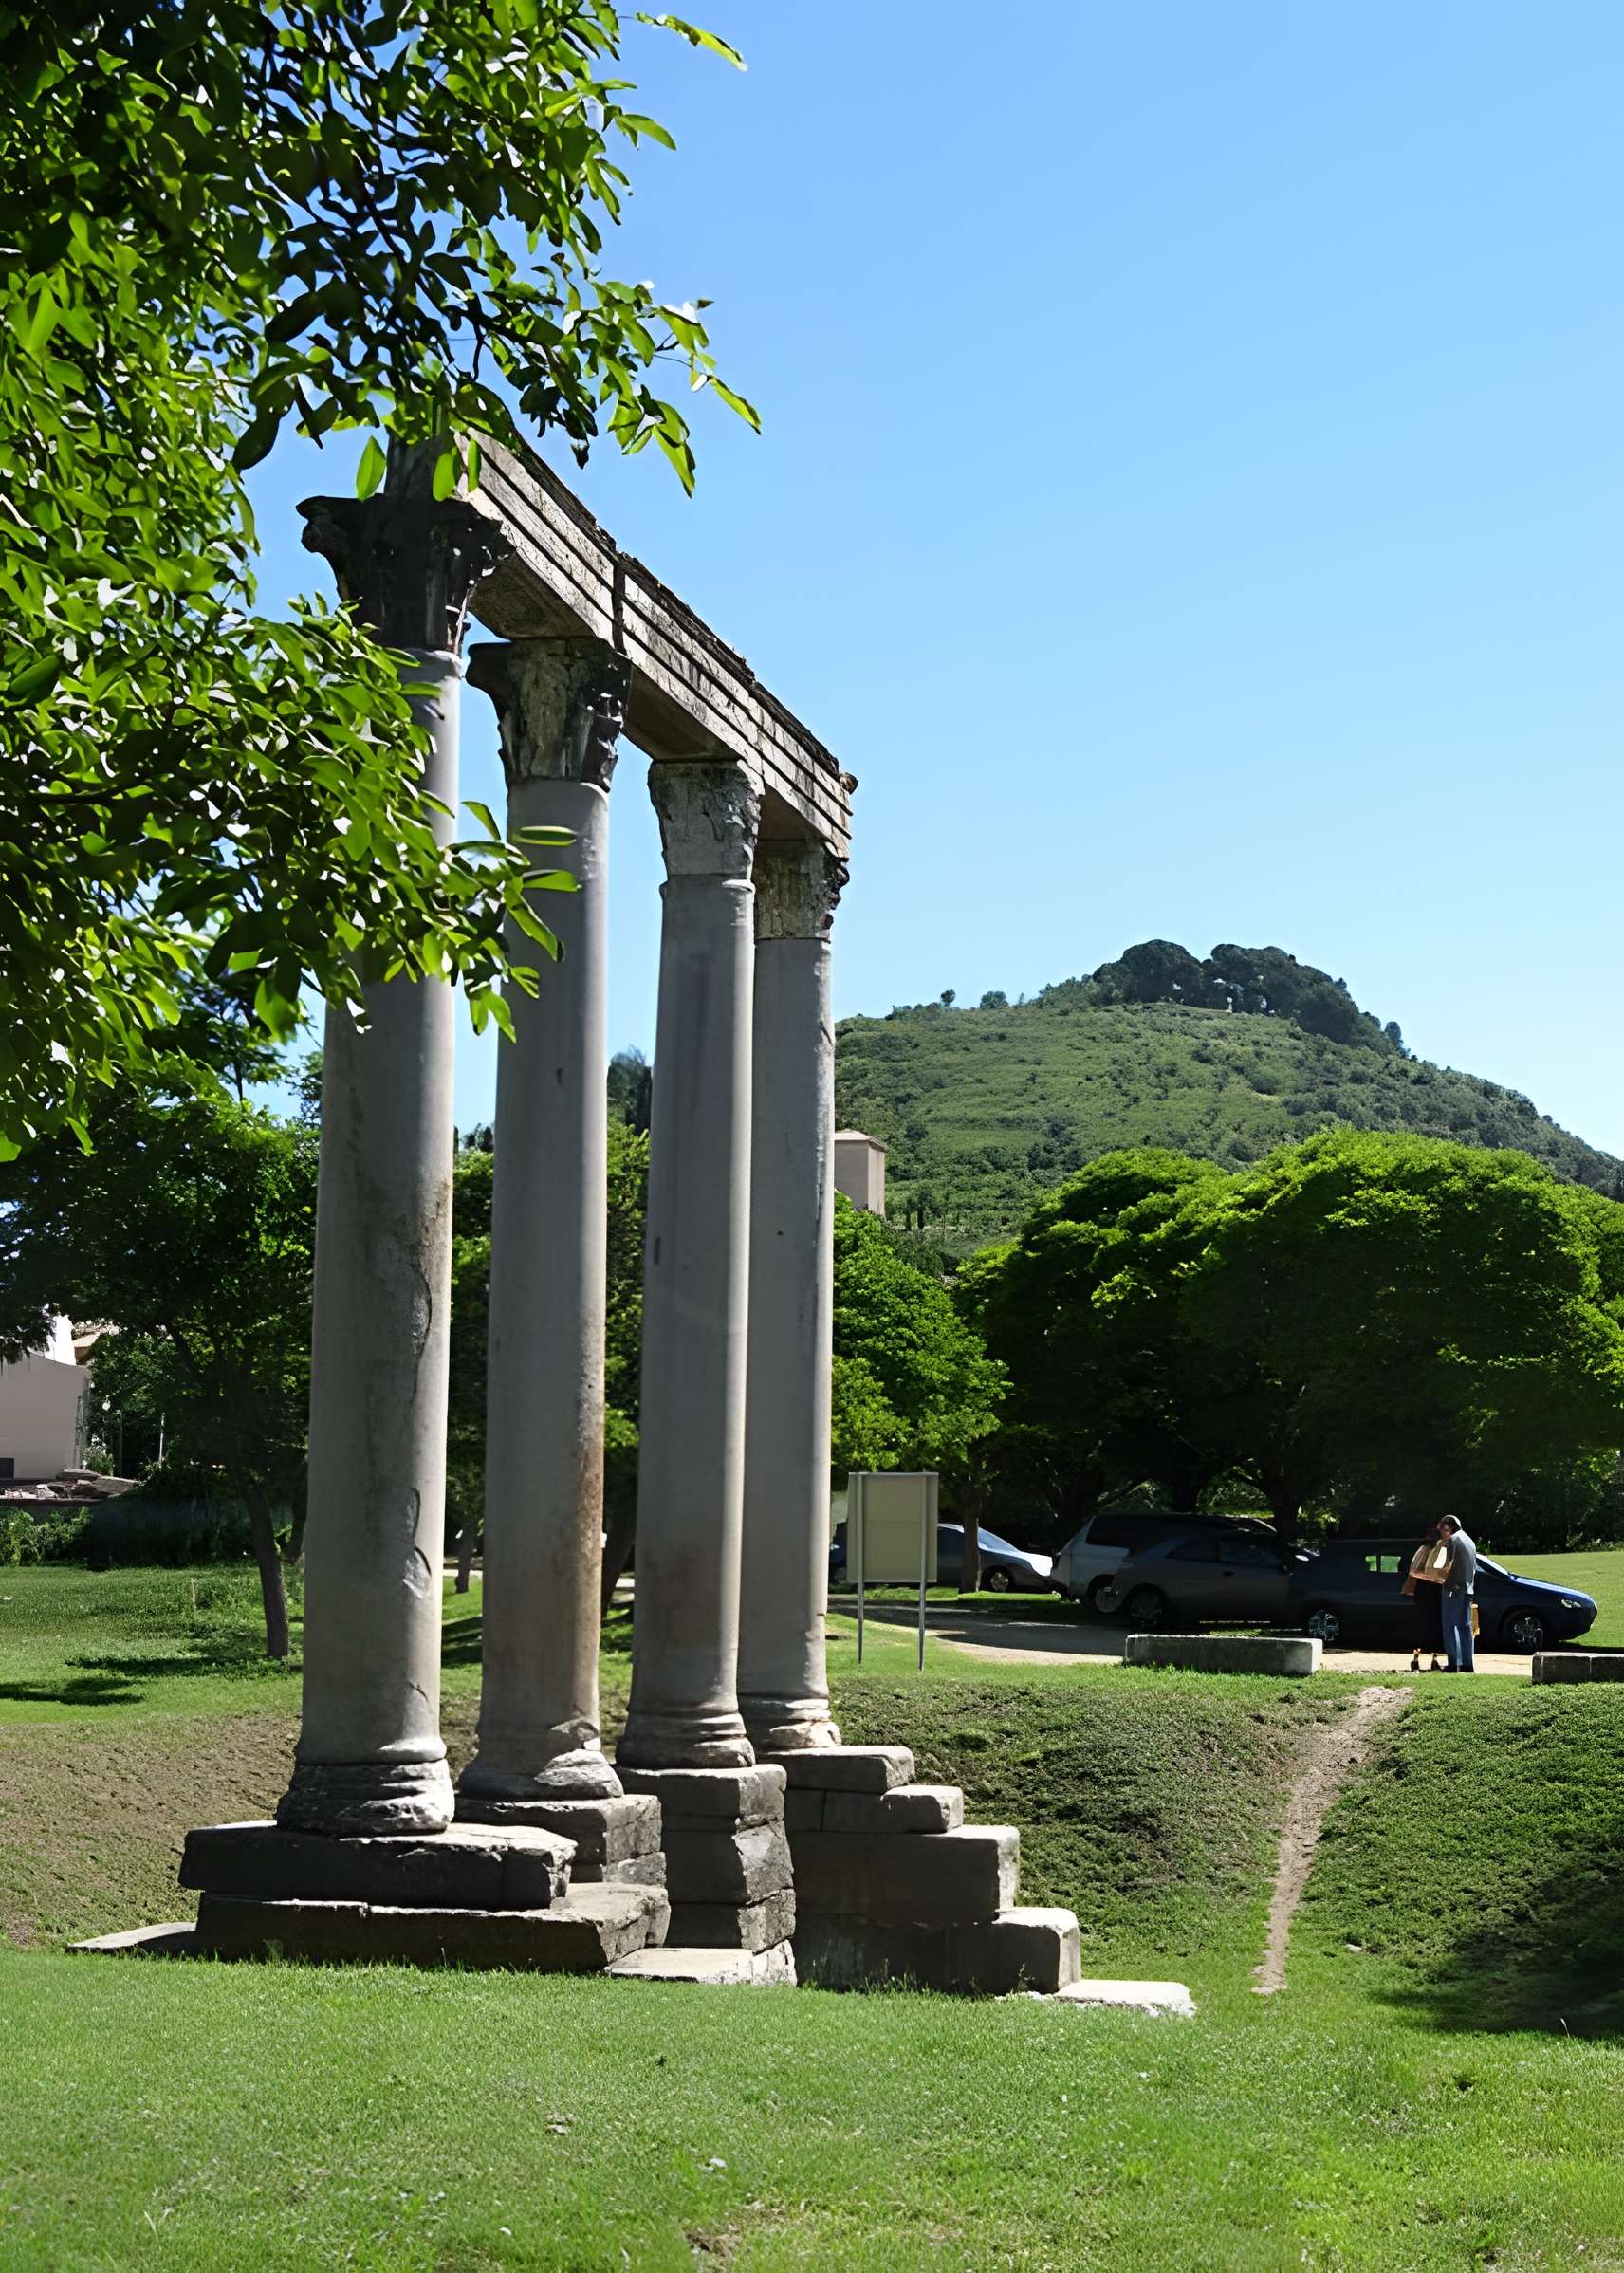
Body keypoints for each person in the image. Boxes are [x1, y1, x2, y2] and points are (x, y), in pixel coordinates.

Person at [1401, 1523, 1448, 1673]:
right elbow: (1414, 1570)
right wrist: (1431, 1577)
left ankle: (1434, 1657)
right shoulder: (1424, 1550)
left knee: (1435, 1624)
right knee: (1423, 1623)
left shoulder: (1441, 1551)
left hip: (1436, 1591)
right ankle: (1417, 1657)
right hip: (1425, 1590)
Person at [1436, 1514, 1478, 1672]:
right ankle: (1467, 1664)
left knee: (1449, 1626)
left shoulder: (1453, 1540)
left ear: (1449, 1527)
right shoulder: (1470, 1541)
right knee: (1465, 1627)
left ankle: (1454, 1663)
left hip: (1453, 1589)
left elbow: (1447, 1566)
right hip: (1468, 1589)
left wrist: (1439, 1578)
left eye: (1442, 1528)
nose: (1441, 1532)